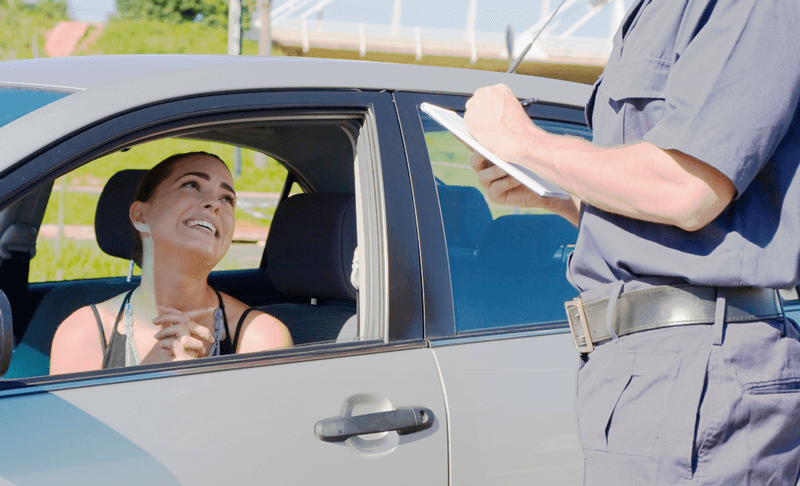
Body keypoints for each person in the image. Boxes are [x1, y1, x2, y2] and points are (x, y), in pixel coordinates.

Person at [464, 0, 800, 484]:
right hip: (637, 367)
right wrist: (560, 196)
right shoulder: (647, 13)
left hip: (699, 368)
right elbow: (671, 223)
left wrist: (528, 143)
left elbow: (687, 190)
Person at [50, 152, 292, 373]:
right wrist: (146, 377)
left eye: (227, 198)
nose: (215, 203)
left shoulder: (261, 338)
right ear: (140, 215)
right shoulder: (83, 333)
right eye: (192, 185)